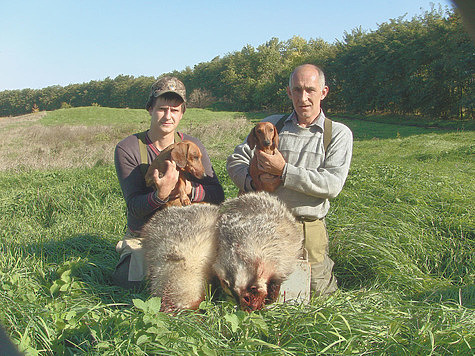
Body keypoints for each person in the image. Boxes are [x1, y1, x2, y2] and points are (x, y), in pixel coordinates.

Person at [227, 64, 353, 295]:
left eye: (310, 90)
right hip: (264, 226)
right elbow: (236, 160)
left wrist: (284, 171)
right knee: (262, 291)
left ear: (323, 92)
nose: (303, 98)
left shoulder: (337, 134)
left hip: (307, 228)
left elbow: (332, 184)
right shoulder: (271, 126)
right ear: (288, 92)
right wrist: (252, 184)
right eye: (297, 90)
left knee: (317, 293)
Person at [113, 76, 225, 289]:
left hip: (190, 232)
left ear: (182, 113)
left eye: (175, 110)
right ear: (150, 109)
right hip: (146, 235)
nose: (168, 116)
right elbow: (135, 207)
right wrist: (160, 195)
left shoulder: (192, 145)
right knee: (134, 283)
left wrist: (189, 189)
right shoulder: (128, 148)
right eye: (162, 109)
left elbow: (217, 194)